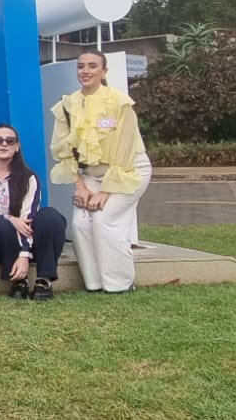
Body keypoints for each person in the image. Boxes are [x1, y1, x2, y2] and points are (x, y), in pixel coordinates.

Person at [51, 50, 152, 293]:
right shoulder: (67, 106)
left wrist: (105, 192)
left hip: (128, 171)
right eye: (81, 66)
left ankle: (120, 283)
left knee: (105, 220)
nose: (85, 71)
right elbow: (64, 150)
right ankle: (95, 282)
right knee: (80, 224)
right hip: (89, 176)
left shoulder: (119, 103)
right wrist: (81, 187)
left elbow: (125, 149)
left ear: (104, 71)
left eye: (92, 66)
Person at [0, 124, 68, 301]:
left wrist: (24, 254)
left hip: (27, 243)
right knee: (0, 224)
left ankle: (44, 280)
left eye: (10, 141)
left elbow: (27, 219)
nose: (4, 144)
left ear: (17, 146)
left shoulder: (29, 177)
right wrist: (8, 217)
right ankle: (18, 280)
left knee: (50, 216)